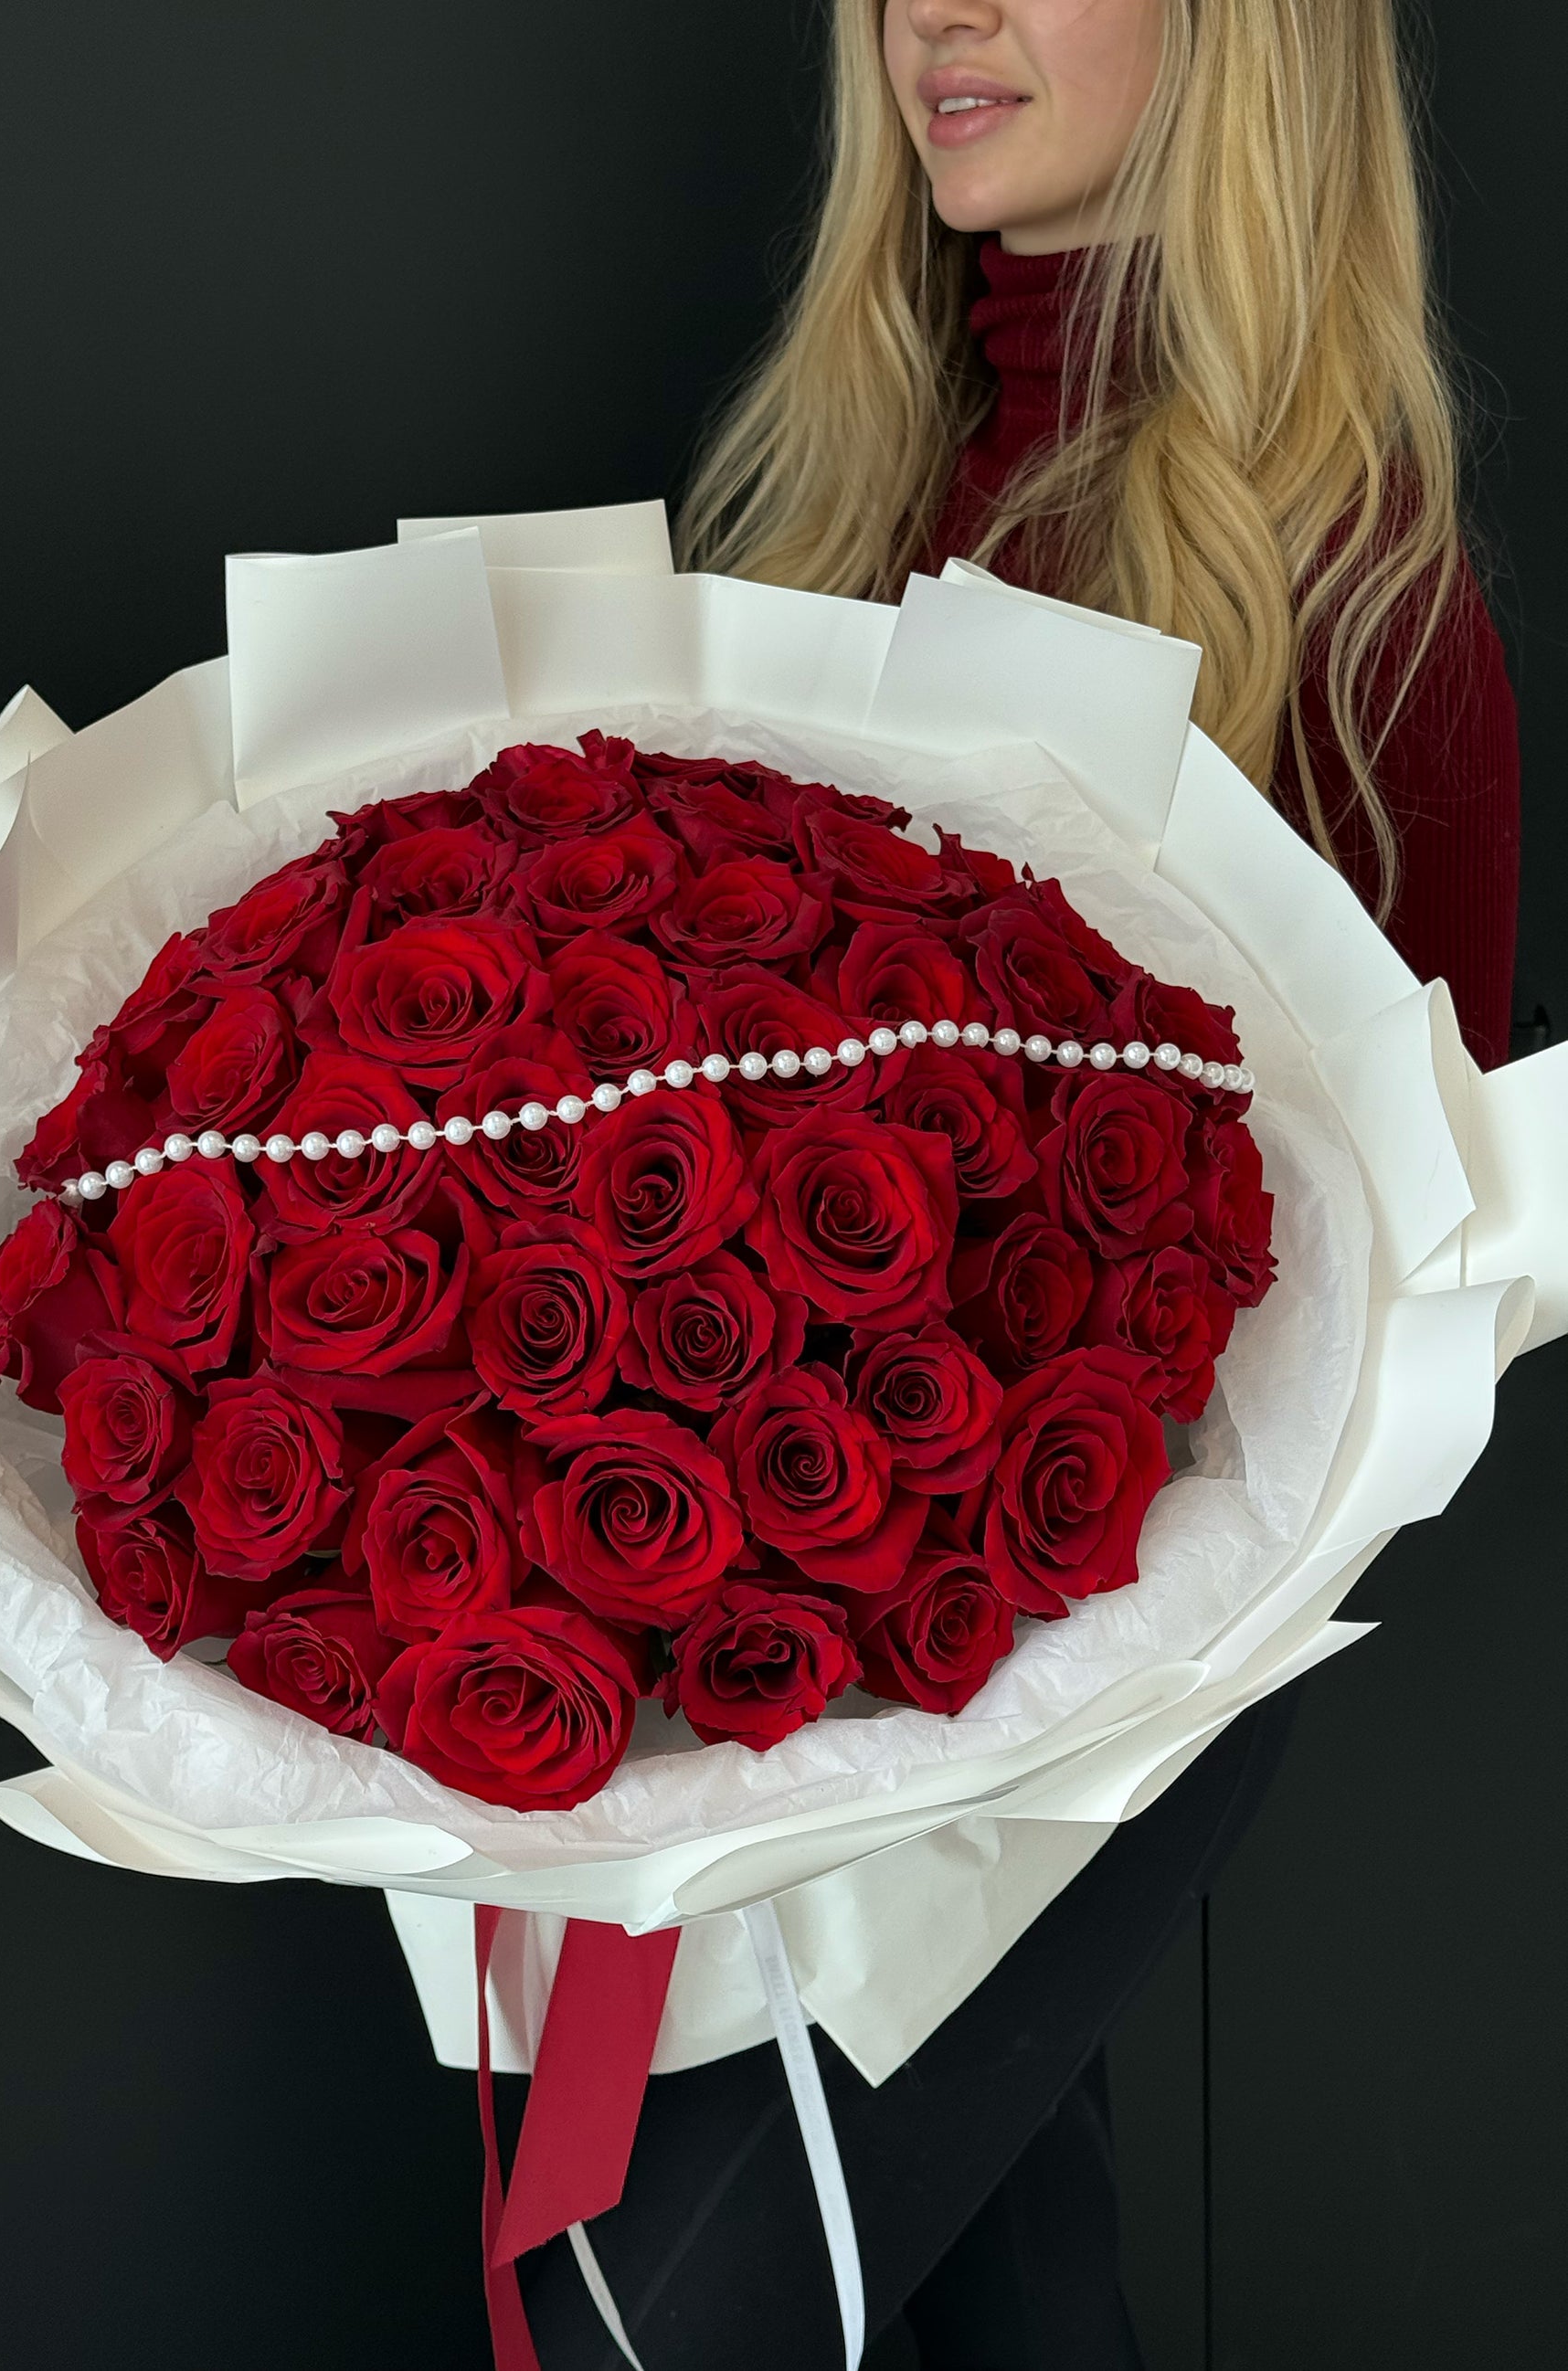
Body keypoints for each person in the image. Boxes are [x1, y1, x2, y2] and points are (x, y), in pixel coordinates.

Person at [517, 4, 1521, 2365]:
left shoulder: (1351, 590)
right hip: (733, 1604)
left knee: (669, 2316)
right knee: (983, 2302)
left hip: (1093, 1668)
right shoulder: (824, 510)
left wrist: (1035, 1664)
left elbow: (1423, 1304)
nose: (928, 17)